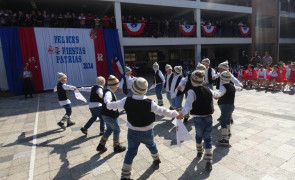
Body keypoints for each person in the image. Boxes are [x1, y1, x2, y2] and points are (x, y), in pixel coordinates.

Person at [106, 78, 178, 180]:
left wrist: (107, 101)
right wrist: (176, 113)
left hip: (132, 131)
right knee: (152, 145)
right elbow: (163, 111)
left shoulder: (126, 100)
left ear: (132, 88)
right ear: (145, 89)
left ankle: (125, 176)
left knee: (130, 152)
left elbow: (112, 105)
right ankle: (156, 159)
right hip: (147, 131)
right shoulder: (150, 103)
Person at [177, 70, 219, 171]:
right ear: (202, 80)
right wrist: (217, 96)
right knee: (208, 138)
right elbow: (217, 94)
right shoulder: (208, 89)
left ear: (192, 81)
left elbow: (188, 105)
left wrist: (181, 113)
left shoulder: (191, 91)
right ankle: (208, 161)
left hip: (198, 118)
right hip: (209, 117)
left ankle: (199, 151)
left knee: (199, 135)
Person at [96, 75, 126, 153]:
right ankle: (116, 146)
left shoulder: (108, 91)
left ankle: (101, 145)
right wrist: (107, 102)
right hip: (110, 116)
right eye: (117, 86)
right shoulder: (108, 93)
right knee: (117, 130)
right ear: (113, 86)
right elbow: (107, 100)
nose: (117, 88)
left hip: (106, 115)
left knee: (109, 129)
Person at [215, 71, 242, 146]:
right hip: (231, 106)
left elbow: (220, 93)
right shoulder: (232, 86)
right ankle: (229, 132)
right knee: (227, 119)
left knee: (223, 120)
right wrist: (240, 88)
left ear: (222, 79)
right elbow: (239, 88)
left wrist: (216, 96)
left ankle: (225, 139)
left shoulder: (223, 87)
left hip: (225, 106)